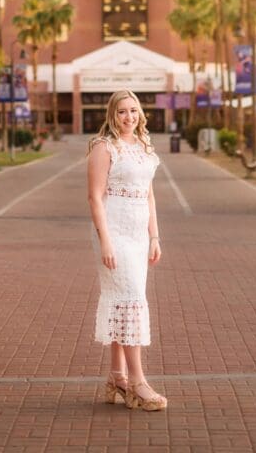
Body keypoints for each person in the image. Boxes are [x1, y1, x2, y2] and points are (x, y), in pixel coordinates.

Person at [87, 88, 167, 411]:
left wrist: (154, 236)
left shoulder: (144, 146)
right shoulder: (104, 147)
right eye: (122, 111)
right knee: (131, 300)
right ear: (112, 114)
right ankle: (138, 382)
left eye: (133, 110)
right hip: (114, 231)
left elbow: (149, 195)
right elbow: (95, 197)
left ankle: (116, 377)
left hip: (138, 233)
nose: (129, 117)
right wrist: (105, 239)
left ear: (140, 114)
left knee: (124, 301)